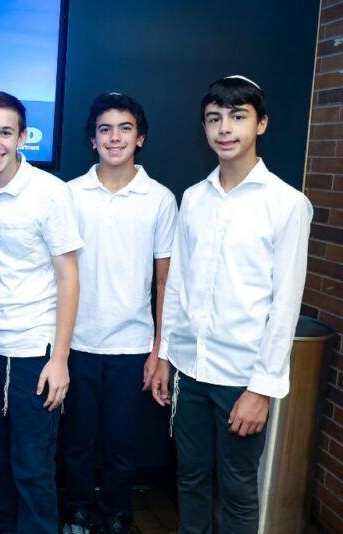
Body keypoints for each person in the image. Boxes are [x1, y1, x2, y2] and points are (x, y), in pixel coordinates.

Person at [151, 76, 312, 533]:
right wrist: (165, 355)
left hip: (242, 377)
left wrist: (261, 389)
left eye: (238, 116)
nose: (224, 128)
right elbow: (177, 283)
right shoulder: (193, 198)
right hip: (189, 370)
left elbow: (285, 305)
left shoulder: (287, 204)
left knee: (239, 490)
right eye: (214, 118)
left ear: (261, 124)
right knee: (190, 479)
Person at [0, 91, 81, 533]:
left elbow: (69, 277)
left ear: (23, 137)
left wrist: (60, 358)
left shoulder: (50, 192)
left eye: (5, 133)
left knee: (32, 467)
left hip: (35, 351)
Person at [61, 92, 177, 534]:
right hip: (76, 341)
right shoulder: (69, 194)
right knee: (76, 440)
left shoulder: (160, 199)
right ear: (92, 139)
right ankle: (77, 508)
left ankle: (116, 512)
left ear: (140, 137)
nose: (114, 137)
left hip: (132, 345)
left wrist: (159, 350)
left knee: (121, 443)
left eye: (125, 128)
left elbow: (165, 282)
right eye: (105, 129)